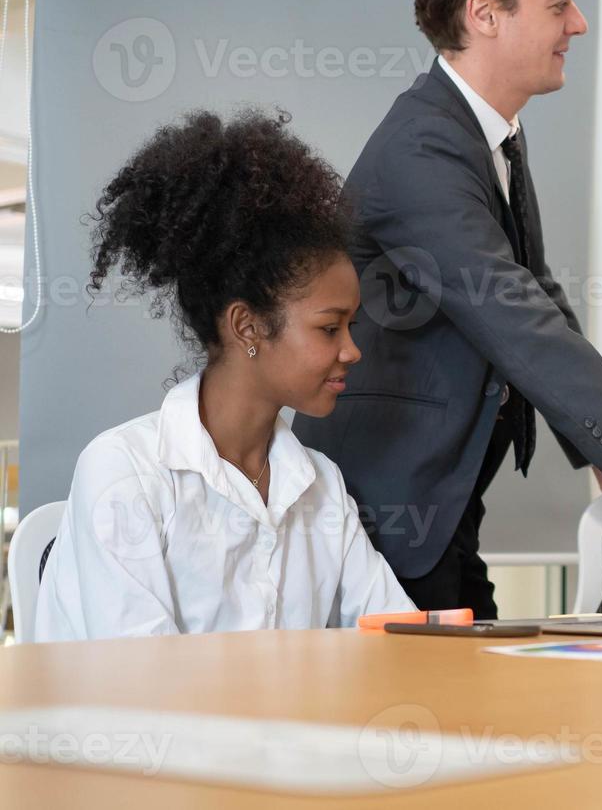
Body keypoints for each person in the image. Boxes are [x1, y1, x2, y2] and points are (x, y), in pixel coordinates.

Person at [292, 0, 602, 618]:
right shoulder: (422, 148)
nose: (578, 24)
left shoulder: (487, 135)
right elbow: (506, 308)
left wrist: (601, 442)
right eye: (559, 5)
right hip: (386, 504)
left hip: (441, 499)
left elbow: (536, 292)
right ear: (483, 14)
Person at [34, 110, 414, 641]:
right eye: (330, 329)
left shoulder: (320, 485)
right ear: (248, 326)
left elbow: (396, 633)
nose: (353, 351)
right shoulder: (125, 476)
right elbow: (142, 688)